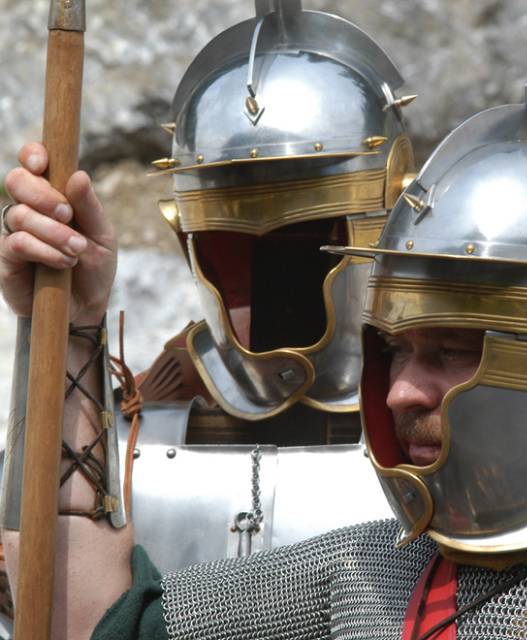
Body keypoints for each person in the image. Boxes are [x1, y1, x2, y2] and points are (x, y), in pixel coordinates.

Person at [5, 81, 527, 639]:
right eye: (395, 351)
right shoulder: (368, 573)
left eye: (452, 352)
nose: (398, 393)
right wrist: (69, 319)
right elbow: (93, 625)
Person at [0, 0, 420, 583]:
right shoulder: (132, 439)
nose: (272, 276)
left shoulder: (441, 435)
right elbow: (35, 598)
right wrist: (62, 324)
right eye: (230, 241)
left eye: (308, 238)